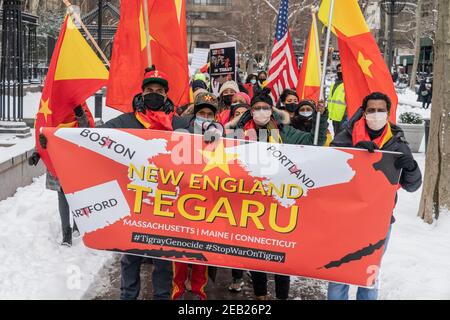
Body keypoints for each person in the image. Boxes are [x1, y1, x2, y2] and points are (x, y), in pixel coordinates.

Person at [224, 89, 328, 300]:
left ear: (271, 110)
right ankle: (261, 295)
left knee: (281, 254)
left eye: (265, 108)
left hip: (279, 201)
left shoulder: (285, 132)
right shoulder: (239, 132)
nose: (261, 112)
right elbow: (217, 147)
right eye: (256, 109)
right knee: (256, 253)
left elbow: (313, 141)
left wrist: (321, 117)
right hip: (251, 203)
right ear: (250, 112)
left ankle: (281, 296)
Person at [329, 92, 422, 300]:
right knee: (338, 274)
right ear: (364, 112)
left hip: (379, 220)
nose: (376, 114)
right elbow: (329, 166)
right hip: (346, 217)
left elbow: (413, 186)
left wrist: (412, 167)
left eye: (381, 110)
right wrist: (354, 151)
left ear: (388, 113)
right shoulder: (346, 134)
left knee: (369, 275)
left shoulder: (397, 142)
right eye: (371, 110)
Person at [101, 67, 175, 300]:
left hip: (166, 201)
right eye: (149, 90)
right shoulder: (126, 121)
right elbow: (94, 135)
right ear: (142, 94)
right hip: (135, 198)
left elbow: (209, 139)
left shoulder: (180, 122)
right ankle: (127, 296)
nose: (154, 94)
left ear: (166, 96)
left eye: (159, 91)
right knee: (131, 255)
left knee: (163, 259)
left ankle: (162, 297)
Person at [171, 92, 223, 300]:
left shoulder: (222, 136)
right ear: (195, 113)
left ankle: (198, 290)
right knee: (180, 250)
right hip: (182, 199)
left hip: (208, 201)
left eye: (209, 114)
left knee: (202, 251)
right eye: (202, 113)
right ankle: (178, 289)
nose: (205, 117)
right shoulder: (180, 133)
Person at [30, 103, 94, 247]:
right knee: (63, 194)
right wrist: (36, 154)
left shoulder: (79, 103)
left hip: (76, 158)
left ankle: (78, 224)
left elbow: (88, 130)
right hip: (57, 159)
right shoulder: (51, 107)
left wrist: (79, 114)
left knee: (77, 194)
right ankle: (67, 233)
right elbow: (43, 133)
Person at [328, 64, 347, 135]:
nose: (340, 71)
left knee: (342, 136)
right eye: (338, 70)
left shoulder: (348, 84)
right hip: (334, 116)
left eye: (341, 70)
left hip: (344, 116)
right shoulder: (334, 84)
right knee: (336, 134)